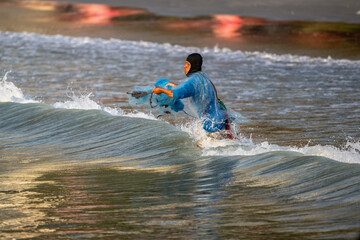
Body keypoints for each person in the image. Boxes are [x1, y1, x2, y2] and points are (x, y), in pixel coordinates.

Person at [152, 53, 232, 137]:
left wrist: (161, 90)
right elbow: (187, 89)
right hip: (221, 119)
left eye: (187, 64)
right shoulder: (204, 76)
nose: (184, 66)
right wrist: (170, 84)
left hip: (211, 125)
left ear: (192, 66)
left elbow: (178, 94)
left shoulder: (193, 80)